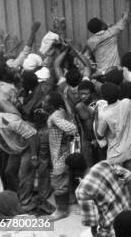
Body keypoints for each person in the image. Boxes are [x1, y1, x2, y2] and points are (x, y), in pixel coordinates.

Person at [67, 153, 131, 237]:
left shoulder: (82, 190)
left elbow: (92, 222)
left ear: (74, 171)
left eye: (68, 170)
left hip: (111, 232)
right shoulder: (104, 164)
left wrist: (95, 235)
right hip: (128, 221)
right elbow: (130, 176)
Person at [0, 98, 39, 213]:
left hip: (28, 146)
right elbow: (3, 142)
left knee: (24, 174)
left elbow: (30, 134)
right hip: (16, 149)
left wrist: (34, 156)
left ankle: (26, 204)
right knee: (9, 172)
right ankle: (19, 199)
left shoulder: (4, 120)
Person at [44, 91, 78, 220]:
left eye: (46, 101)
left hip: (59, 153)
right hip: (63, 151)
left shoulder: (55, 117)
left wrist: (66, 139)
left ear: (52, 104)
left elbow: (72, 128)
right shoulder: (61, 111)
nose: (43, 103)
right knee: (64, 178)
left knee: (58, 181)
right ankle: (68, 201)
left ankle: (62, 211)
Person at [86, 0, 131, 74]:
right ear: (101, 26)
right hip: (114, 72)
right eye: (102, 21)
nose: (105, 21)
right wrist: (128, 0)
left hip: (100, 73)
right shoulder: (111, 33)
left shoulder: (90, 41)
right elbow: (125, 18)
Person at [94, 83, 131, 171]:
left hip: (115, 156)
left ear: (103, 97)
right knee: (130, 179)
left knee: (118, 182)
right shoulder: (127, 102)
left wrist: (96, 117)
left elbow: (99, 136)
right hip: (129, 151)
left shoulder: (105, 114)